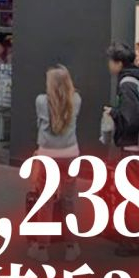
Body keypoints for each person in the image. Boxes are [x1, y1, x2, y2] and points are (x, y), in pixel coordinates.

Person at [103, 42, 139, 257]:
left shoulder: (126, 85)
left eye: (110, 61)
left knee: (132, 195)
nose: (109, 65)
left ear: (118, 63)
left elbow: (132, 119)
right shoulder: (137, 78)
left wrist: (114, 114)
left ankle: (134, 242)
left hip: (133, 148)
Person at [27, 64, 82, 263]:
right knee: (69, 200)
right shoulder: (76, 99)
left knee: (45, 201)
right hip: (70, 153)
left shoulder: (41, 101)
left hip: (47, 154)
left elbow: (40, 124)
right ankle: (71, 247)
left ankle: (42, 248)